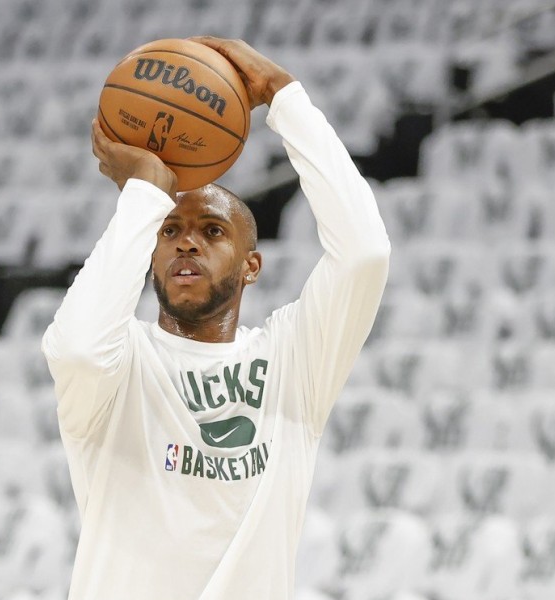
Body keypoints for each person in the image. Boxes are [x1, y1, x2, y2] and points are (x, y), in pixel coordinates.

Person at [41, 36, 391, 599]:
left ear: (251, 266)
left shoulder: (292, 362)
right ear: (147, 249)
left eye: (212, 231)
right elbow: (76, 348)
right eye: (169, 231)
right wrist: (145, 195)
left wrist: (284, 96)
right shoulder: (120, 367)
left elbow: (365, 252)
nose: (186, 244)